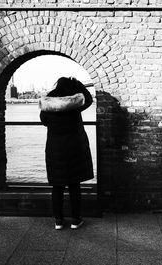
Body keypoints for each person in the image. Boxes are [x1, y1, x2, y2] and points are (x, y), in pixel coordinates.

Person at [39, 77, 94, 230]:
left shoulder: (48, 106)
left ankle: (58, 221)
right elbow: (88, 99)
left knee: (57, 186)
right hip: (75, 148)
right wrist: (78, 84)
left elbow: (43, 120)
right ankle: (76, 220)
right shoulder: (75, 105)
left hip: (55, 149)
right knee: (74, 185)